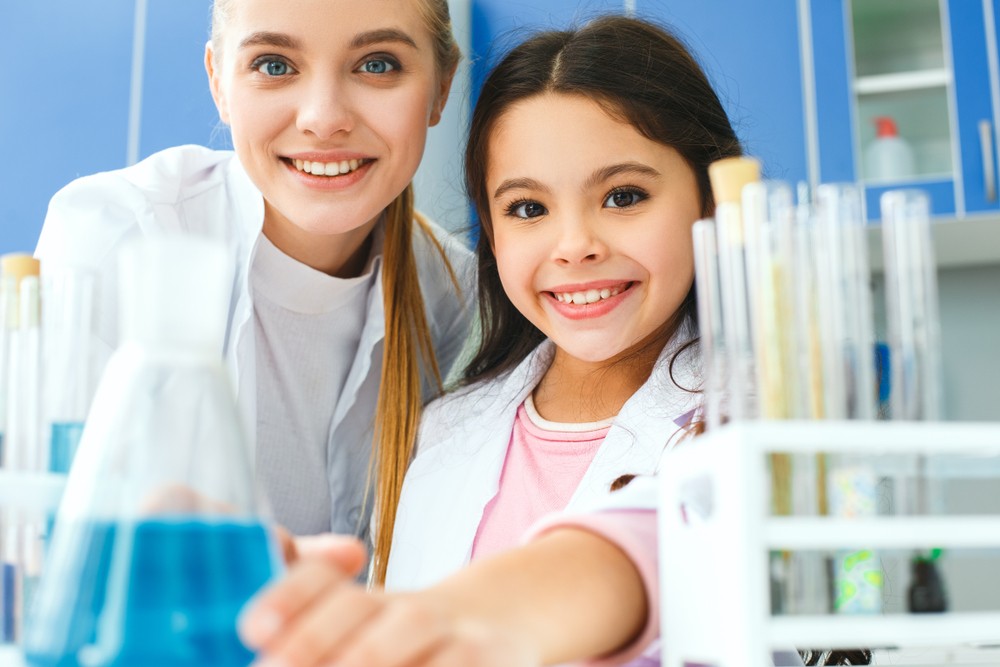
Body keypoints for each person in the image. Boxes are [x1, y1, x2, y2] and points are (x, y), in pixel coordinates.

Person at [240, 15, 871, 667]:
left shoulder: (778, 414)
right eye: (528, 208)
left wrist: (473, 616)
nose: (575, 246)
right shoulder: (444, 431)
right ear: (491, 230)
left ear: (710, 203)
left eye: (624, 196)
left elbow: (682, 552)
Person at [33, 0, 473, 584]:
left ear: (441, 87)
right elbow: (47, 554)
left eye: (377, 65)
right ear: (219, 81)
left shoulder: (457, 295)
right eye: (273, 64)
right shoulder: (121, 237)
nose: (323, 118)